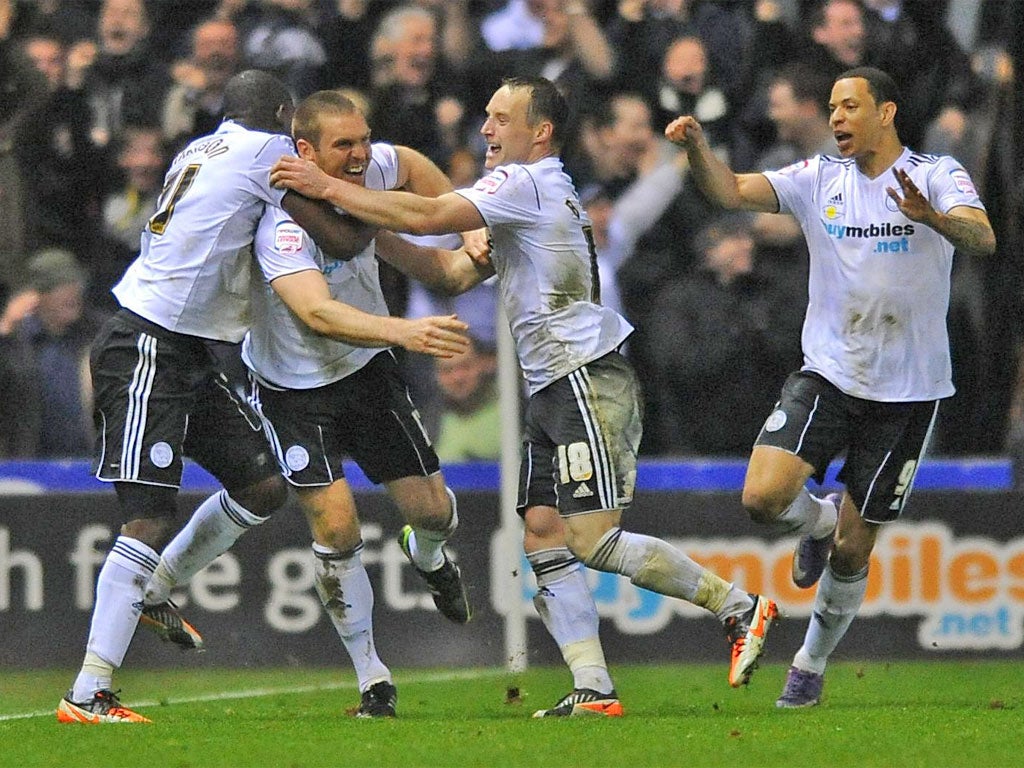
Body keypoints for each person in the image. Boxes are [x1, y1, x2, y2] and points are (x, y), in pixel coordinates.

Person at [271, 75, 780, 717]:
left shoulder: (525, 183)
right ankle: (594, 687)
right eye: (485, 115)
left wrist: (326, 189)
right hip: (552, 385)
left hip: (584, 375)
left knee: (592, 540)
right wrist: (364, 231)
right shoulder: (524, 197)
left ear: (540, 133)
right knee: (542, 534)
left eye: (500, 117)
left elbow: (429, 214)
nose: (486, 128)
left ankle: (738, 607)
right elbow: (450, 272)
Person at [55, 69, 385, 725]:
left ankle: (156, 587)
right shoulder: (268, 153)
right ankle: (89, 691)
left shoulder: (201, 148)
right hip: (147, 344)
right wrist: (392, 213)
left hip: (187, 349)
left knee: (261, 485)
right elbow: (342, 238)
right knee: (148, 517)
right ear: (285, 116)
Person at [665, 65, 996, 707]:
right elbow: (730, 191)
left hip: (909, 389)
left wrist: (931, 217)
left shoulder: (936, 173)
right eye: (833, 107)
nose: (837, 117)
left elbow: (982, 237)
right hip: (830, 372)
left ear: (886, 112)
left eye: (850, 106)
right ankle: (816, 520)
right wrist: (698, 149)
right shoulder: (819, 178)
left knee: (853, 549)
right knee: (762, 498)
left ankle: (809, 666)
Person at [143, 90, 474, 719]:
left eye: (363, 139)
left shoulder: (368, 168)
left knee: (433, 513)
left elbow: (411, 165)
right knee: (337, 526)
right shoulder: (279, 223)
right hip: (292, 390)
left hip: (367, 374)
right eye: (343, 144)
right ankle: (374, 680)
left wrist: (474, 228)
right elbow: (317, 312)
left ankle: (428, 554)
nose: (360, 154)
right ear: (305, 151)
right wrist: (404, 331)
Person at [0, 249, 108, 457]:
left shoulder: (97, 334)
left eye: (75, 284)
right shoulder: (17, 341)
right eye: (59, 286)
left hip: (89, 462)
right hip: (30, 463)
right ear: (36, 296)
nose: (72, 293)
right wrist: (5, 329)